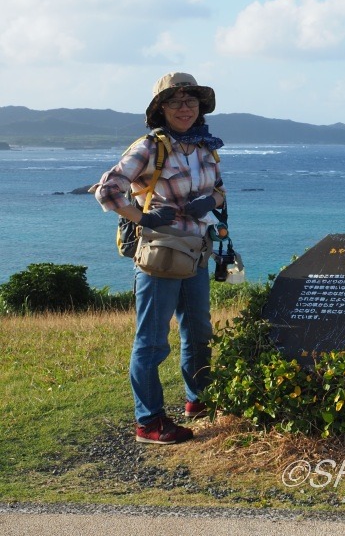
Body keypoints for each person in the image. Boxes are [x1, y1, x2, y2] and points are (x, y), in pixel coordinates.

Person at [94, 73, 225, 444]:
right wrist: (143, 217)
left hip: (197, 251)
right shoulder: (150, 147)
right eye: (175, 101)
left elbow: (220, 191)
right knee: (152, 342)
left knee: (198, 333)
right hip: (160, 254)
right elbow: (107, 190)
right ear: (161, 109)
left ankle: (198, 401)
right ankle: (149, 422)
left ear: (200, 107)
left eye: (190, 100)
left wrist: (210, 201)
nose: (184, 108)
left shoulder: (205, 146)